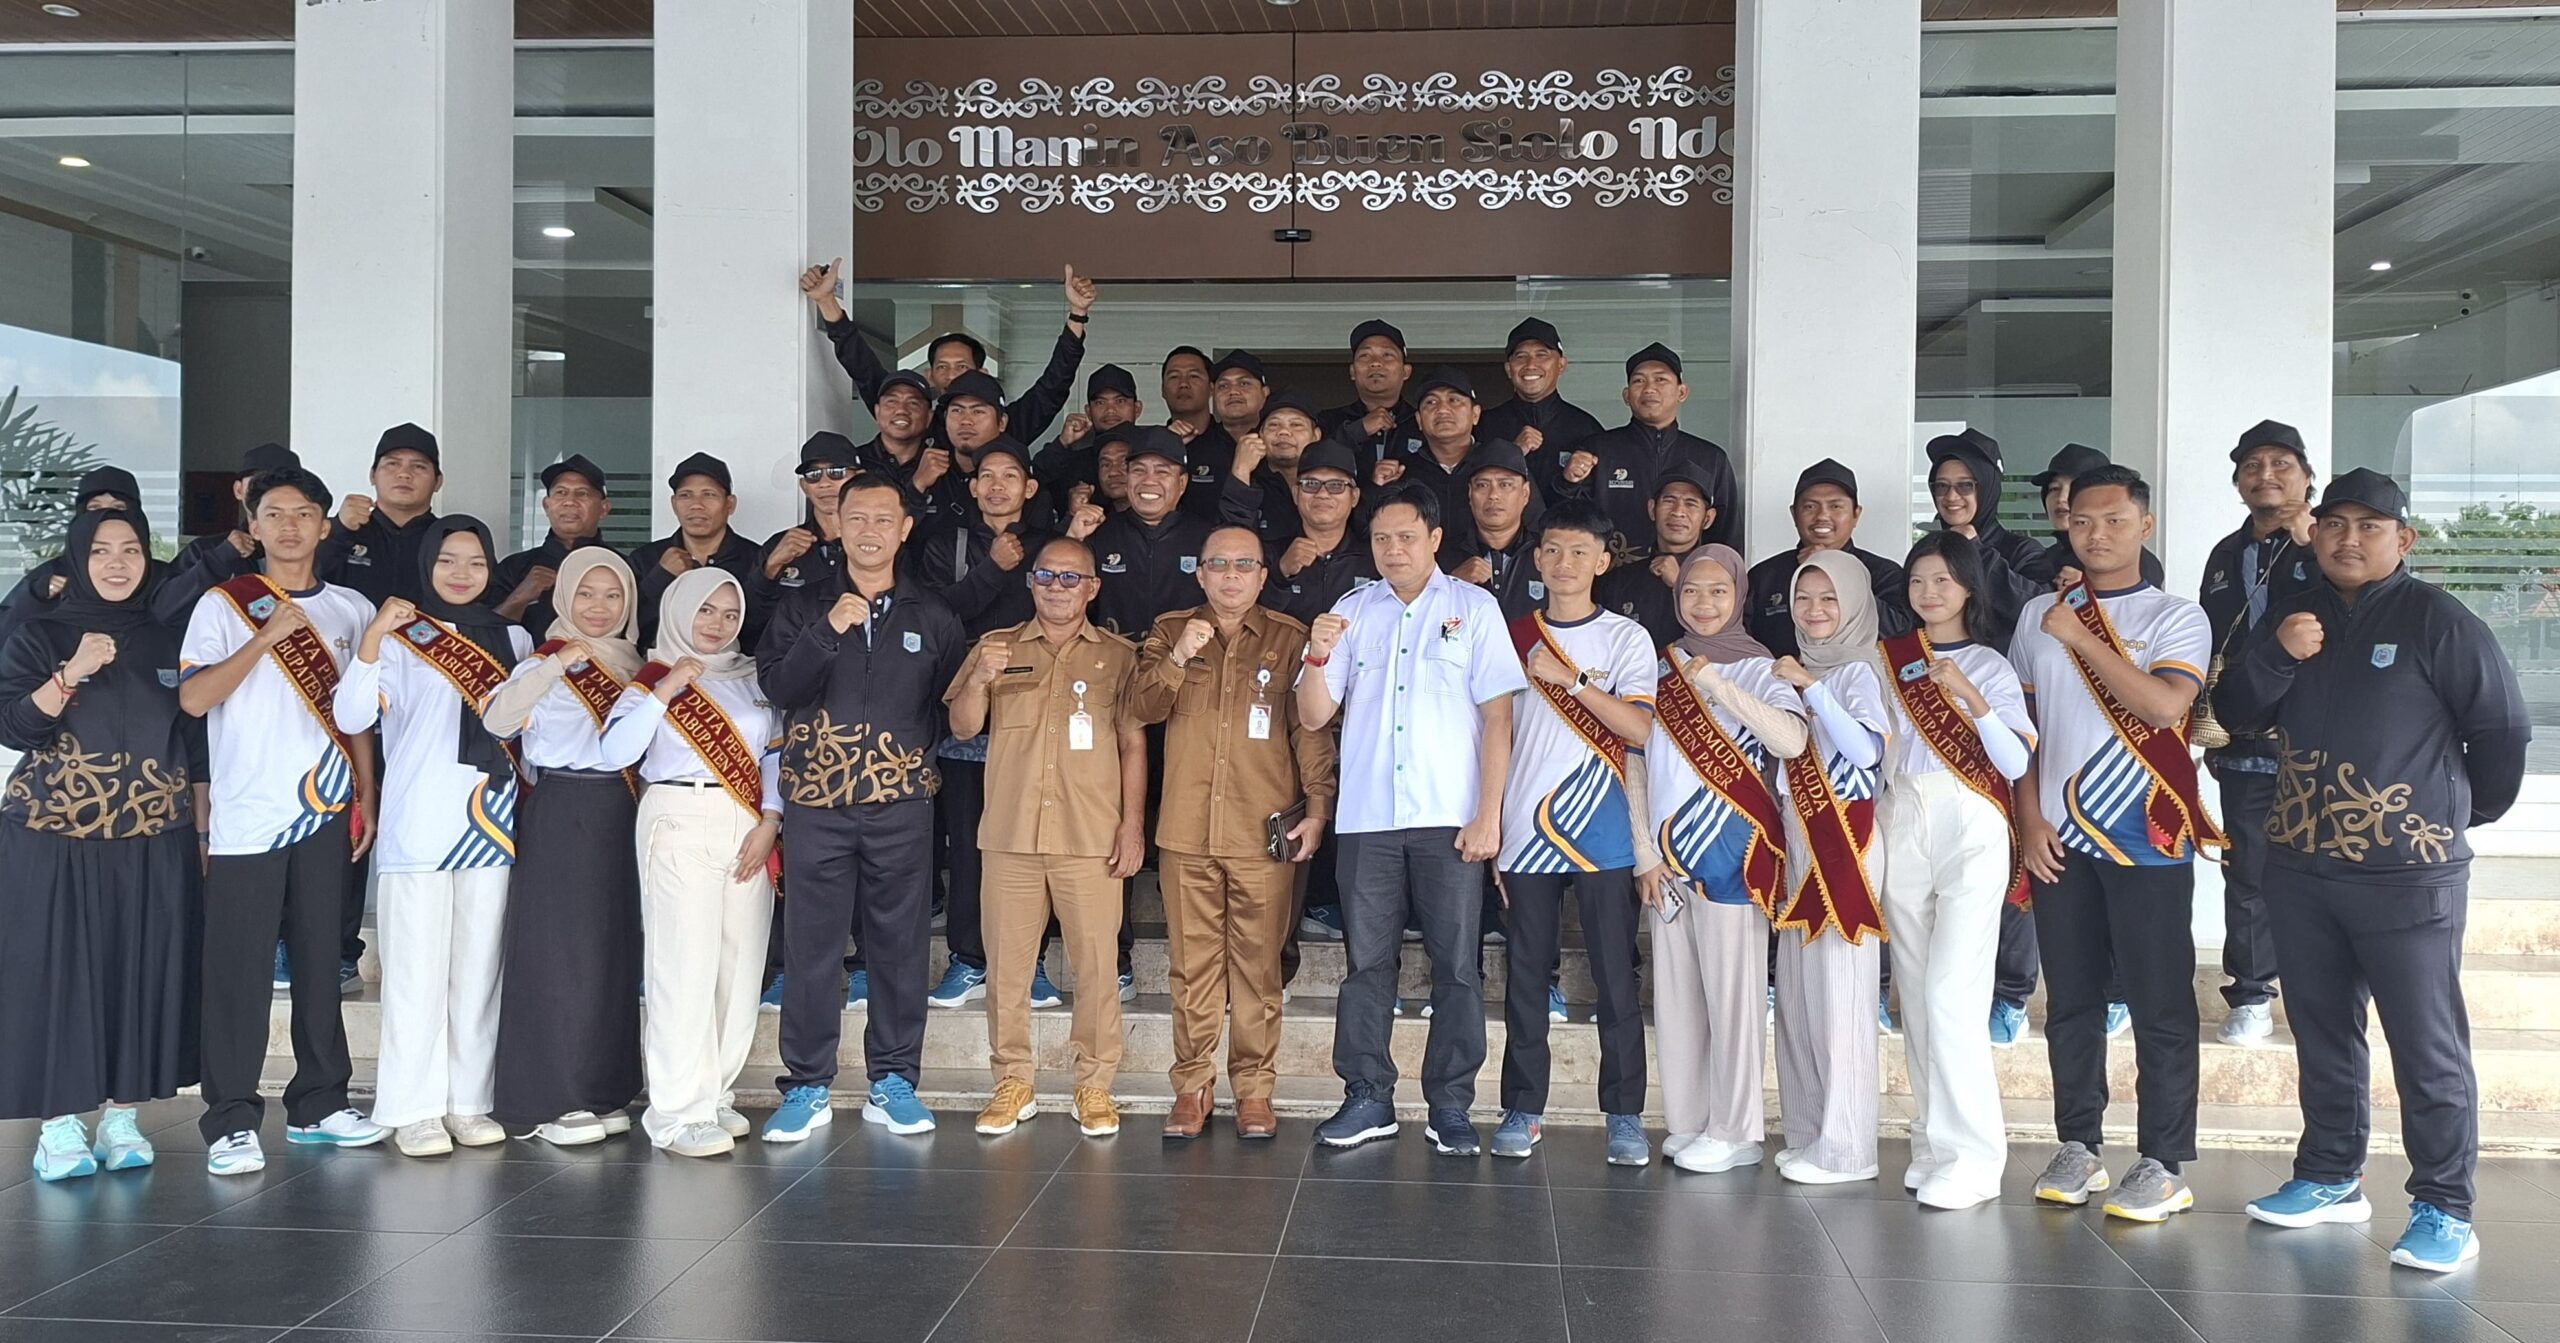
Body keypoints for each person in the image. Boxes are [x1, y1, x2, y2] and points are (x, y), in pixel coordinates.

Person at [2218, 467, 2530, 1273]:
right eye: (2334, 524)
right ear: (2315, 532)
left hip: (2407, 876)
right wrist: (2278, 654)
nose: (2347, 539)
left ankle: (2445, 1206)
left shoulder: (2439, 620)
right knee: (2322, 1032)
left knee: (2426, 1043)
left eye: (2368, 525)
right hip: (2300, 865)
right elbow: (2235, 711)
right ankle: (2329, 1174)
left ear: (2404, 539)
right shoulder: (2294, 614)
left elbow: (2502, 733)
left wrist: (2452, 816)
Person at [2008, 464, 2219, 1222]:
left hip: (2148, 838)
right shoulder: (2036, 615)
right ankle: (2078, 1144)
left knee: (2160, 1002)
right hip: (2060, 838)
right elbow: (2021, 732)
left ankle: (2163, 1160)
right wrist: (2029, 821)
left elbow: (2164, 707)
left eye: (2114, 520)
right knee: (2070, 1000)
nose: (2096, 534)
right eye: (2081, 521)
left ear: (2144, 526)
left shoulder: (2177, 616)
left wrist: (2081, 637)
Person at [1297, 482, 1527, 1155]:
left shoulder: (1473, 608)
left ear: (1434, 539)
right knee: (1366, 964)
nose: (1393, 549)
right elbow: (1313, 714)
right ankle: (1367, 1096)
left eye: (1406, 537)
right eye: (1381, 539)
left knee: (1456, 966)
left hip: (1448, 818)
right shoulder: (1351, 611)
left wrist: (1489, 814)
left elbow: (1498, 719)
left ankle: (1450, 1104)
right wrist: (1316, 651)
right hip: (1368, 818)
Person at [178, 465, 385, 1173]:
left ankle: (320, 1103)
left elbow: (358, 713)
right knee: (238, 973)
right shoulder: (224, 605)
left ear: (325, 526)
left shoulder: (353, 608)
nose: (289, 526)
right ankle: (231, 1118)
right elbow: (195, 699)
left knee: (321, 963)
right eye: (274, 513)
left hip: (325, 809)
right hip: (248, 816)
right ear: (254, 525)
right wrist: (265, 638)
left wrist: (366, 791)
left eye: (303, 513)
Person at [757, 473, 966, 1141]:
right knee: (812, 946)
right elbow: (779, 687)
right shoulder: (803, 605)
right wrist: (827, 630)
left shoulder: (932, 614)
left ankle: (893, 1079)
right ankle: (807, 1083)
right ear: (837, 525)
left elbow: (951, 706)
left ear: (905, 529)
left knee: (899, 947)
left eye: (883, 519)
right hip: (817, 804)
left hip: (901, 806)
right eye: (857, 518)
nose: (869, 531)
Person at [1, 505, 206, 1182]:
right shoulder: (39, 632)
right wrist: (71, 671)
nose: (117, 563)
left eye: (131, 550)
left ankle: (122, 1115)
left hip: (152, 836)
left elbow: (195, 737)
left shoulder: (168, 635)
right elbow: (15, 728)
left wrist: (202, 826)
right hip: (54, 837)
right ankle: (59, 1123)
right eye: (101, 551)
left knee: (136, 970)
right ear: (77, 558)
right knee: (60, 975)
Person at [329, 516, 530, 1158]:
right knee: (414, 974)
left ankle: (469, 1101)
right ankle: (413, 1109)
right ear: (426, 565)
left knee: (478, 972)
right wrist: (370, 642)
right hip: (417, 822)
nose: (462, 573)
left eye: (475, 561)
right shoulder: (398, 635)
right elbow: (351, 714)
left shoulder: (515, 639)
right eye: (448, 560)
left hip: (489, 819)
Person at [1128, 526, 1334, 1139]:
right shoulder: (1170, 630)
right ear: (1200, 573)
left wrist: (1318, 808)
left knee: (1258, 970)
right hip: (1186, 831)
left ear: (1263, 576)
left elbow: (1309, 731)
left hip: (1260, 833)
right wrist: (1177, 657)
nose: (1231, 576)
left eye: (1244, 565)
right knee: (1191, 969)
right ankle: (1192, 1087)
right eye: (1218, 564)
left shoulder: (1289, 638)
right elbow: (1139, 709)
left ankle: (1254, 1090)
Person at [946, 537, 1148, 1140]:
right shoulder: (997, 646)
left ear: (1093, 587)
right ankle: (1012, 1081)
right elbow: (962, 727)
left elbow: (1133, 744)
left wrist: (1132, 824)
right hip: (1011, 834)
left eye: (1071, 578)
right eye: (1046, 576)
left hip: (1091, 836)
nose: (1057, 588)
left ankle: (1094, 1084)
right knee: (1007, 969)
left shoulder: (1119, 656)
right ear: (1030, 582)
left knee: (1096, 967)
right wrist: (979, 679)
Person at [1488, 501, 1657, 1165]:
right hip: (1524, 831)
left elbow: (1639, 729)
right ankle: (1522, 1107)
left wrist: (1572, 680)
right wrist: (1492, 825)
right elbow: (1491, 735)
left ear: (1603, 561)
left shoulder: (1626, 638)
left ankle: (1625, 1115)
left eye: (1580, 552)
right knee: (1526, 977)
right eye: (1553, 550)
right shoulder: (1509, 635)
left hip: (1605, 830)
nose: (1564, 563)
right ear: (1537, 559)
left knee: (1615, 978)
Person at [599, 571, 783, 1157]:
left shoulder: (752, 675)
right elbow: (615, 750)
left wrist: (771, 821)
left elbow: (773, 756)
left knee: (739, 964)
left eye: (730, 613)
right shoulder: (653, 675)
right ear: (680, 610)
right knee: (684, 965)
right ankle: (678, 1113)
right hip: (679, 814)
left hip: (747, 822)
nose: (718, 624)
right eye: (705, 610)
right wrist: (665, 690)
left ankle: (715, 1093)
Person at [1876, 531, 2034, 1210]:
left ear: (1969, 586)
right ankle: (1933, 1143)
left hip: (1970, 820)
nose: (1929, 592)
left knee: (1951, 991)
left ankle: (1974, 1157)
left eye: (1943, 579)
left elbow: (2015, 761)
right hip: (1903, 814)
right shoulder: (1889, 660)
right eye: (1918, 580)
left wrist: (1973, 698)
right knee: (1915, 991)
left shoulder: (1990, 665)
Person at [1637, 545, 1806, 1173]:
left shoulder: (1762, 667)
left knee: (1734, 1000)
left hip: (1734, 852)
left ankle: (1735, 1130)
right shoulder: (1659, 668)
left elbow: (1790, 739)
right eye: (1690, 591)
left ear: (1738, 596)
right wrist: (1643, 852)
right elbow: (1634, 761)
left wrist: (1714, 683)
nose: (1703, 603)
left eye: (1717, 591)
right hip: (1667, 856)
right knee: (1678, 998)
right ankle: (1690, 1120)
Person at [483, 549, 647, 1146]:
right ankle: (552, 1099)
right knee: (560, 956)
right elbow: (498, 720)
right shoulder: (544, 656)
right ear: (564, 598)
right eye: (586, 593)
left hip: (622, 811)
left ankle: (601, 1089)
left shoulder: (634, 661)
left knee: (610, 954)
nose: (599, 607)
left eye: (612, 595)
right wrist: (555, 666)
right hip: (563, 807)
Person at [917, 438, 1070, 1011]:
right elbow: (933, 617)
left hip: (1036, 722)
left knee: (1034, 847)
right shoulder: (945, 541)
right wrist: (990, 570)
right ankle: (968, 958)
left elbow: (1065, 612)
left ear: (1030, 488)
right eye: (987, 476)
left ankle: (1031, 964)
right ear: (973, 486)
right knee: (971, 848)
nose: (998, 485)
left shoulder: (1052, 546)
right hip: (966, 717)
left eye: (1010, 475)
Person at [1766, 551, 1893, 1186]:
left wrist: (1813, 689)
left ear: (1855, 604)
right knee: (1799, 995)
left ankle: (1848, 1149)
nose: (1814, 611)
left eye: (1829, 599)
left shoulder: (1859, 669)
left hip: (1846, 837)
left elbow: (1865, 750)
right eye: (1803, 597)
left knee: (1842, 998)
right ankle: (1811, 1130)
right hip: (1800, 836)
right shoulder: (1794, 668)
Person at [2195, 419, 2320, 1049]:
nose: (2265, 475)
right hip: (2244, 740)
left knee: (2322, 874)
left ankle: (2321, 993)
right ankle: (2250, 994)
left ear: (2307, 477)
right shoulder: (2226, 553)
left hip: (2320, 743)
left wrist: (2312, 542)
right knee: (2248, 872)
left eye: (2280, 464)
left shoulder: (2329, 545)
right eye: (2252, 466)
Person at [802, 257, 1092, 450]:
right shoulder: (917, 420)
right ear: (929, 375)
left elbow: (1053, 386)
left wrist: (1077, 314)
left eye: (962, 367)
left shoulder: (1006, 424)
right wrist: (827, 302)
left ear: (982, 373)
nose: (951, 375)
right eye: (942, 367)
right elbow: (864, 370)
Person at [1553, 343, 1738, 551]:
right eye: (1639, 381)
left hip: (1686, 572)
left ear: (1682, 392)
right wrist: (1568, 483)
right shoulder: (1597, 450)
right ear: (1626, 396)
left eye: (1661, 379)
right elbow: (1565, 524)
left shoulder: (1711, 458)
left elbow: (1727, 538)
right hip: (1612, 570)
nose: (1649, 389)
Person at [1745, 459, 1912, 658]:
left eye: (1836, 506)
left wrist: (1838, 571)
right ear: (1794, 514)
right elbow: (1745, 639)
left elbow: (1899, 633)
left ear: (1856, 514)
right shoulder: (1764, 576)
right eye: (1810, 506)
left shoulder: (1884, 573)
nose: (1822, 516)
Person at [1923, 429, 2054, 647]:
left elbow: (2040, 613)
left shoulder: (2022, 551)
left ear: (1987, 489)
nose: (1951, 496)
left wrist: (1977, 552)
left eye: (1965, 485)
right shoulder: (1931, 553)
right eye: (1941, 486)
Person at [1088, 425, 1216, 641]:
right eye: (1138, 470)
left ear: (1182, 483)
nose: (1148, 480)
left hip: (1188, 658)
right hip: (1115, 657)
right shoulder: (1099, 534)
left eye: (1162, 471)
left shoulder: (1208, 539)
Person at [630, 452, 768, 649]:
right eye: (685, 495)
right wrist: (660, 578)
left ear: (730, 504)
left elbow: (766, 631)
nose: (696, 505)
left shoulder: (757, 560)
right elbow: (627, 628)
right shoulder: (645, 559)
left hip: (737, 667)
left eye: (709, 495)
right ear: (674, 504)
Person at [1596, 462, 1718, 646]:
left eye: (1691, 503)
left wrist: (1680, 585)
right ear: (1652, 509)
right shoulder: (1618, 581)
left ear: (1707, 518)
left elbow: (1726, 644)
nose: (1678, 512)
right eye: (1669, 501)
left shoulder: (1724, 580)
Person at [322, 423, 445, 606]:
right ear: (372, 475)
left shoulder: (449, 538)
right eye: (392, 464)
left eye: (419, 466)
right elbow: (300, 582)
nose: (404, 474)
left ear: (438, 482)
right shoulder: (338, 531)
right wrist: (338, 530)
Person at [493, 454, 613, 640]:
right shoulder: (514, 568)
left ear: (604, 508)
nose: (569, 501)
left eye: (582, 493)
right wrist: (519, 597)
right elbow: (484, 636)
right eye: (561, 493)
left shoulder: (622, 567)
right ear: (546, 505)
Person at [1259, 439, 1374, 628]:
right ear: (1296, 494)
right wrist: (1281, 574)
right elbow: (1254, 623)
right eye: (1311, 484)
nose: (1322, 494)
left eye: (1336, 485)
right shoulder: (1268, 553)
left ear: (1354, 497)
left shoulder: (1374, 558)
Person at [1479, 317, 1604, 488]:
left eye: (1541, 355)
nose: (1530, 365)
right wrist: (1512, 454)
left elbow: (1599, 496)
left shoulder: (1586, 428)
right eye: (1521, 356)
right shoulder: (1485, 426)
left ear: (1561, 365)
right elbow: (1469, 489)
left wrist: (1569, 481)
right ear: (1508, 369)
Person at [167, 441, 299, 597]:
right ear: (238, 490)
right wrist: (221, 557)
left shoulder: (316, 550)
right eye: (258, 484)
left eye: (282, 486)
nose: (269, 494)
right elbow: (166, 607)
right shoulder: (205, 550)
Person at [2033, 443, 2165, 588]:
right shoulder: (2045, 558)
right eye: (2054, 488)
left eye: (2074, 488)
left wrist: (2091, 593)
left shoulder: (2137, 564)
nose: (2061, 498)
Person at [1444, 439, 1543, 621]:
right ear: (1470, 493)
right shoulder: (1440, 556)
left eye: (1505, 484)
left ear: (1525, 493)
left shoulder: (1547, 555)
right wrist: (1451, 584)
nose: (1493, 495)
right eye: (1482, 485)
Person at [1378, 366, 1487, 530]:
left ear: (1475, 414)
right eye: (1431, 402)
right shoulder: (1401, 473)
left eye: (1454, 400)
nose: (1442, 409)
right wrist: (1375, 489)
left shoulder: (1495, 465)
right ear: (1419, 420)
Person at [762, 432, 863, 605]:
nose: (824, 483)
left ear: (859, 479)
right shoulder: (779, 545)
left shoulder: (877, 543)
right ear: (804, 487)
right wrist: (770, 568)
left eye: (836, 472)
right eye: (813, 475)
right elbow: (750, 615)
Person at [1221, 390, 1329, 549]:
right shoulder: (1248, 481)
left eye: (1296, 425)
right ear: (1260, 435)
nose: (1283, 431)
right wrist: (1241, 469)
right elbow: (1231, 543)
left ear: (1316, 435)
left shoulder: (1330, 484)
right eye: (1274, 425)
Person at [1032, 363, 1145, 505]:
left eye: (1120, 401)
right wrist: (1062, 443)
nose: (1110, 410)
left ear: (1137, 408)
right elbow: (1033, 481)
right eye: (1100, 402)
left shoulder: (1153, 452)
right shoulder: (1074, 462)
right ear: (1088, 411)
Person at [1321, 319, 1423, 464]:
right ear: (1352, 371)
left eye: (1387, 355)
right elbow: (1310, 463)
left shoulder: (1422, 423)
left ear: (1406, 372)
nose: (1375, 363)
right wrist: (1358, 430)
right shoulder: (1327, 421)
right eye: (1365, 356)